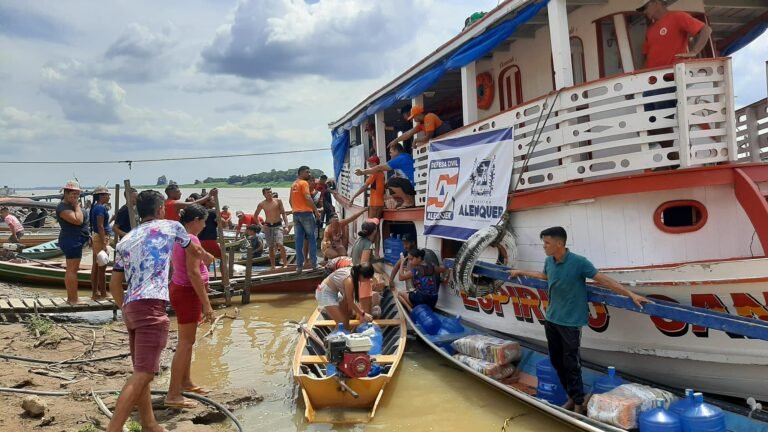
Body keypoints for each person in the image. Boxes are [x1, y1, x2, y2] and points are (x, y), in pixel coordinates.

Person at [508, 226, 651, 414]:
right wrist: (521, 272)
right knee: (557, 361)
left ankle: (577, 403)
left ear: (559, 244)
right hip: (552, 319)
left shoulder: (579, 262)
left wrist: (630, 294)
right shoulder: (549, 261)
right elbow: (544, 276)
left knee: (571, 364)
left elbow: (604, 280)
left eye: (547, 243)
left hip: (571, 322)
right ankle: (572, 396)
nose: (544, 246)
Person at [108, 190, 210, 432]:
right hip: (151, 305)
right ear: (160, 210)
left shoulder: (125, 240)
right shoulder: (172, 227)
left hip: (131, 306)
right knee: (143, 374)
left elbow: (114, 285)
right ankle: (113, 429)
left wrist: (124, 307)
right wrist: (207, 255)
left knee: (141, 370)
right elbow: (193, 251)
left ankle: (149, 423)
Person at [166, 204, 216, 409]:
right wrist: (207, 305)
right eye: (203, 222)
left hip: (181, 289)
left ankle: (185, 382)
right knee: (185, 343)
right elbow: (193, 273)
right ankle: (173, 394)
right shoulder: (191, 239)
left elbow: (201, 257)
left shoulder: (180, 237)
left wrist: (206, 256)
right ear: (195, 221)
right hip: (188, 293)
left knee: (189, 341)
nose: (204, 226)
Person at [638, 0, 711, 70]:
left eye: (645, 7)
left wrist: (694, 52)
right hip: (653, 77)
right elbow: (647, 56)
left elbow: (706, 30)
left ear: (656, 3)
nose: (644, 11)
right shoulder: (650, 30)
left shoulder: (678, 17)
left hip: (673, 74)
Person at [56, 180, 90, 305]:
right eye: (73, 195)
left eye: (77, 195)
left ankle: (73, 298)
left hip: (77, 239)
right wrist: (77, 205)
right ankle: (73, 299)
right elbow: (78, 220)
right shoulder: (63, 207)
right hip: (71, 240)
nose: (75, 197)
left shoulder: (70, 205)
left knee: (72, 269)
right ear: (65, 193)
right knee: (72, 270)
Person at [315, 264, 375, 329]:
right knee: (342, 323)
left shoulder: (355, 272)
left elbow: (347, 300)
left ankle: (344, 334)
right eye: (368, 278)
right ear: (361, 276)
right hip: (324, 293)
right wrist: (363, 314)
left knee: (346, 319)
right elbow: (350, 302)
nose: (369, 280)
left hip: (332, 292)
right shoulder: (349, 281)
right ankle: (336, 338)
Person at [356, 144, 415, 208]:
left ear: (396, 151)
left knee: (391, 182)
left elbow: (379, 168)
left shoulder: (399, 159)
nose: (390, 155)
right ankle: (407, 200)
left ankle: (408, 201)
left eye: (391, 152)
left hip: (377, 202)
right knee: (392, 182)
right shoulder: (407, 156)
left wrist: (362, 172)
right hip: (415, 185)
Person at [290, 166, 320, 273]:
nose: (309, 173)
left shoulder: (294, 184)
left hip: (296, 214)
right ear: (301, 172)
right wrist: (316, 211)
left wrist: (295, 209)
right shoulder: (304, 183)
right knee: (311, 238)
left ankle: (299, 266)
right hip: (306, 213)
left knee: (299, 241)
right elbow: (308, 198)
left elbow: (290, 200)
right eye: (307, 172)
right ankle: (314, 265)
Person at [254, 187, 290, 269]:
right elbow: (255, 216)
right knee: (270, 247)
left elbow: (283, 214)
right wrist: (261, 225)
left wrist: (286, 226)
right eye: (267, 192)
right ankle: (273, 266)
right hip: (268, 226)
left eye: (270, 192)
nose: (269, 194)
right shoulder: (262, 204)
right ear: (264, 194)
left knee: (280, 244)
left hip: (278, 225)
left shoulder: (278, 201)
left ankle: (285, 264)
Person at [350, 219, 380, 314]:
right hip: (361, 277)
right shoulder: (368, 244)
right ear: (374, 232)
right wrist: (373, 278)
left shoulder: (358, 240)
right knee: (380, 285)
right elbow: (364, 264)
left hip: (355, 273)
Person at [89, 186, 112, 300]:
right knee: (102, 267)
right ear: (101, 196)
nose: (109, 197)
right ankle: (103, 292)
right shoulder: (100, 209)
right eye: (107, 195)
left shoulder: (96, 207)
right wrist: (104, 243)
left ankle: (95, 292)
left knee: (96, 266)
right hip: (100, 238)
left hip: (97, 237)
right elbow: (100, 226)